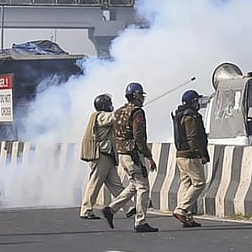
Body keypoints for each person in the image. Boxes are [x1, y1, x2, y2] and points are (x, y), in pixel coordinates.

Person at [101, 82, 158, 233]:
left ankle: (111, 209)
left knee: (134, 185)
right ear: (136, 96)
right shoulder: (137, 112)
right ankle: (140, 221)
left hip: (122, 155)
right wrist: (149, 156)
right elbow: (139, 137)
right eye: (141, 96)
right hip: (133, 155)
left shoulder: (119, 112)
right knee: (143, 187)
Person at [79, 94, 126, 220]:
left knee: (116, 185)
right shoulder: (101, 116)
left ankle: (130, 208)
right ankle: (86, 210)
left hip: (107, 156)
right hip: (101, 156)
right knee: (94, 184)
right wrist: (126, 109)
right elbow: (113, 117)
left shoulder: (97, 116)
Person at [172, 89, 209, 228]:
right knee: (199, 183)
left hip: (180, 155)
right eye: (196, 101)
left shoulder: (180, 114)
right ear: (193, 102)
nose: (198, 103)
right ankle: (181, 210)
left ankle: (188, 218)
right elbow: (192, 137)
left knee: (187, 186)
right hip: (189, 156)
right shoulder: (191, 116)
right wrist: (200, 154)